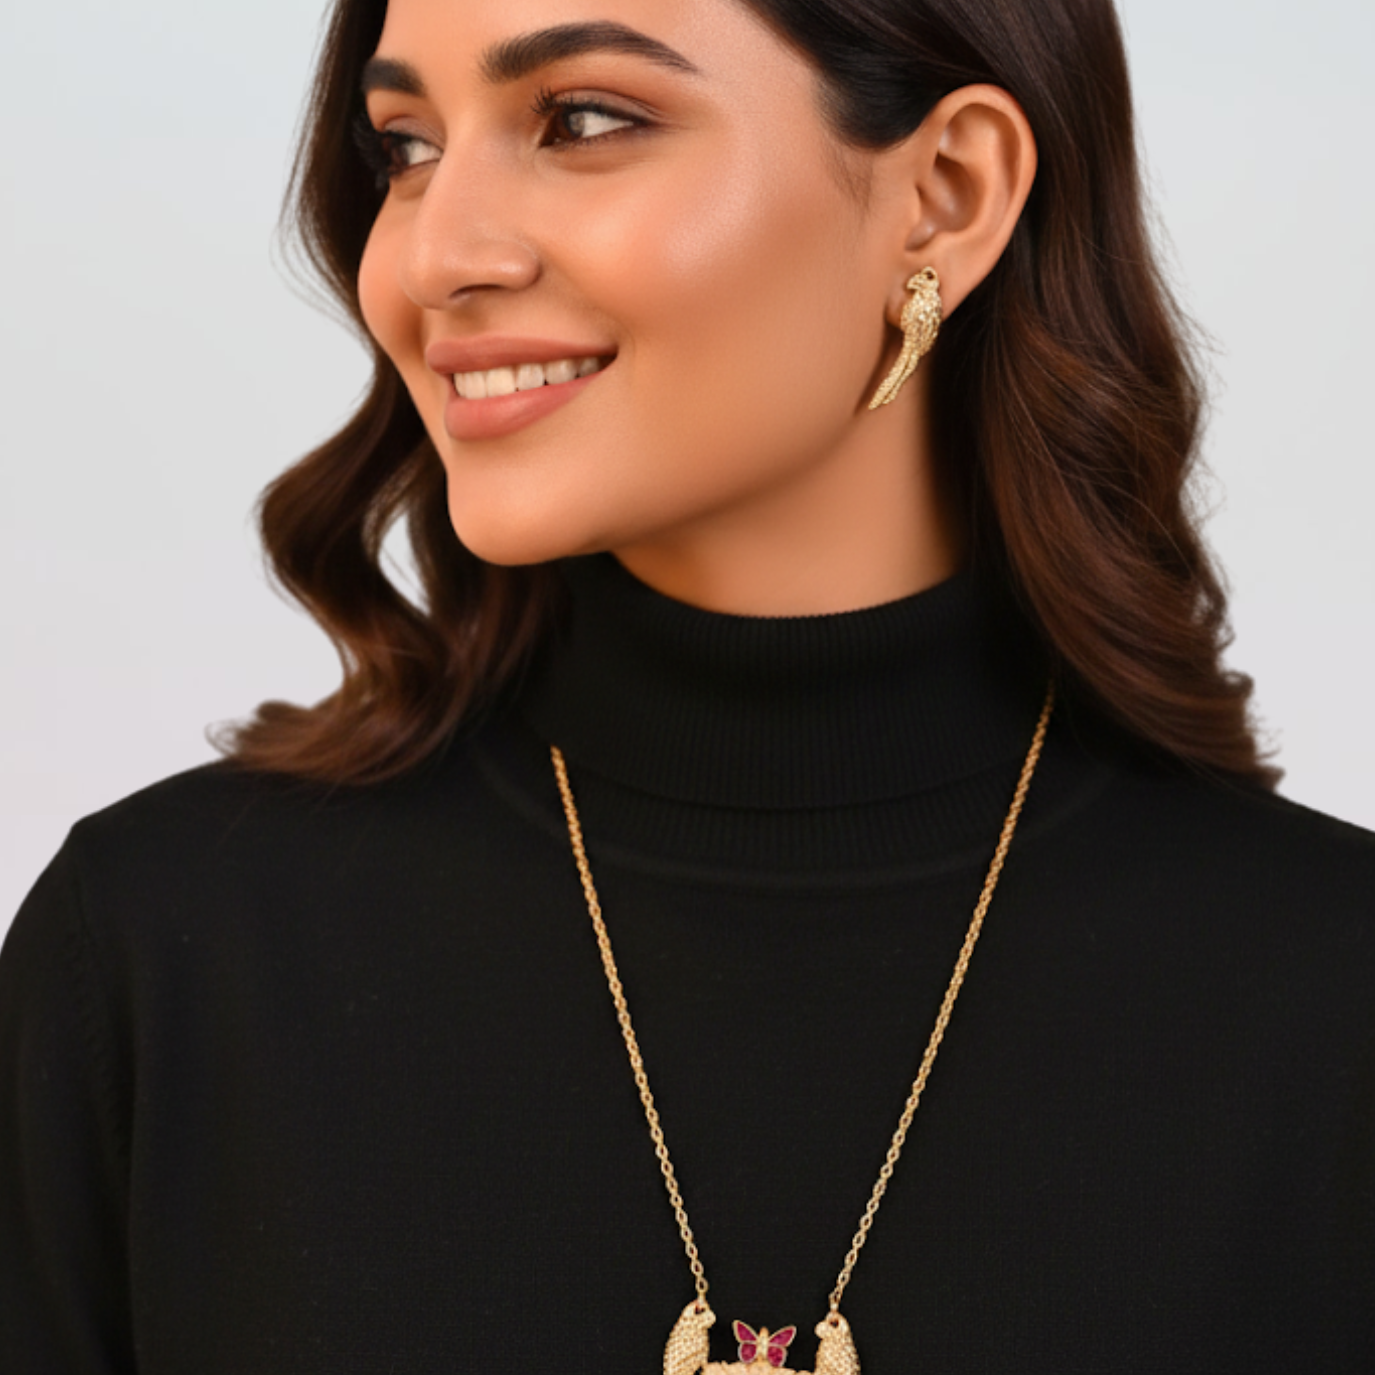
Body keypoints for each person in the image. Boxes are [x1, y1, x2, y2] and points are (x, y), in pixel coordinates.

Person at [3, 0, 1371, 1371]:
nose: (433, 254)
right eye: (404, 146)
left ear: (944, 197)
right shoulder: (153, 969)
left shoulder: (1329, 1003)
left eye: (584, 120)